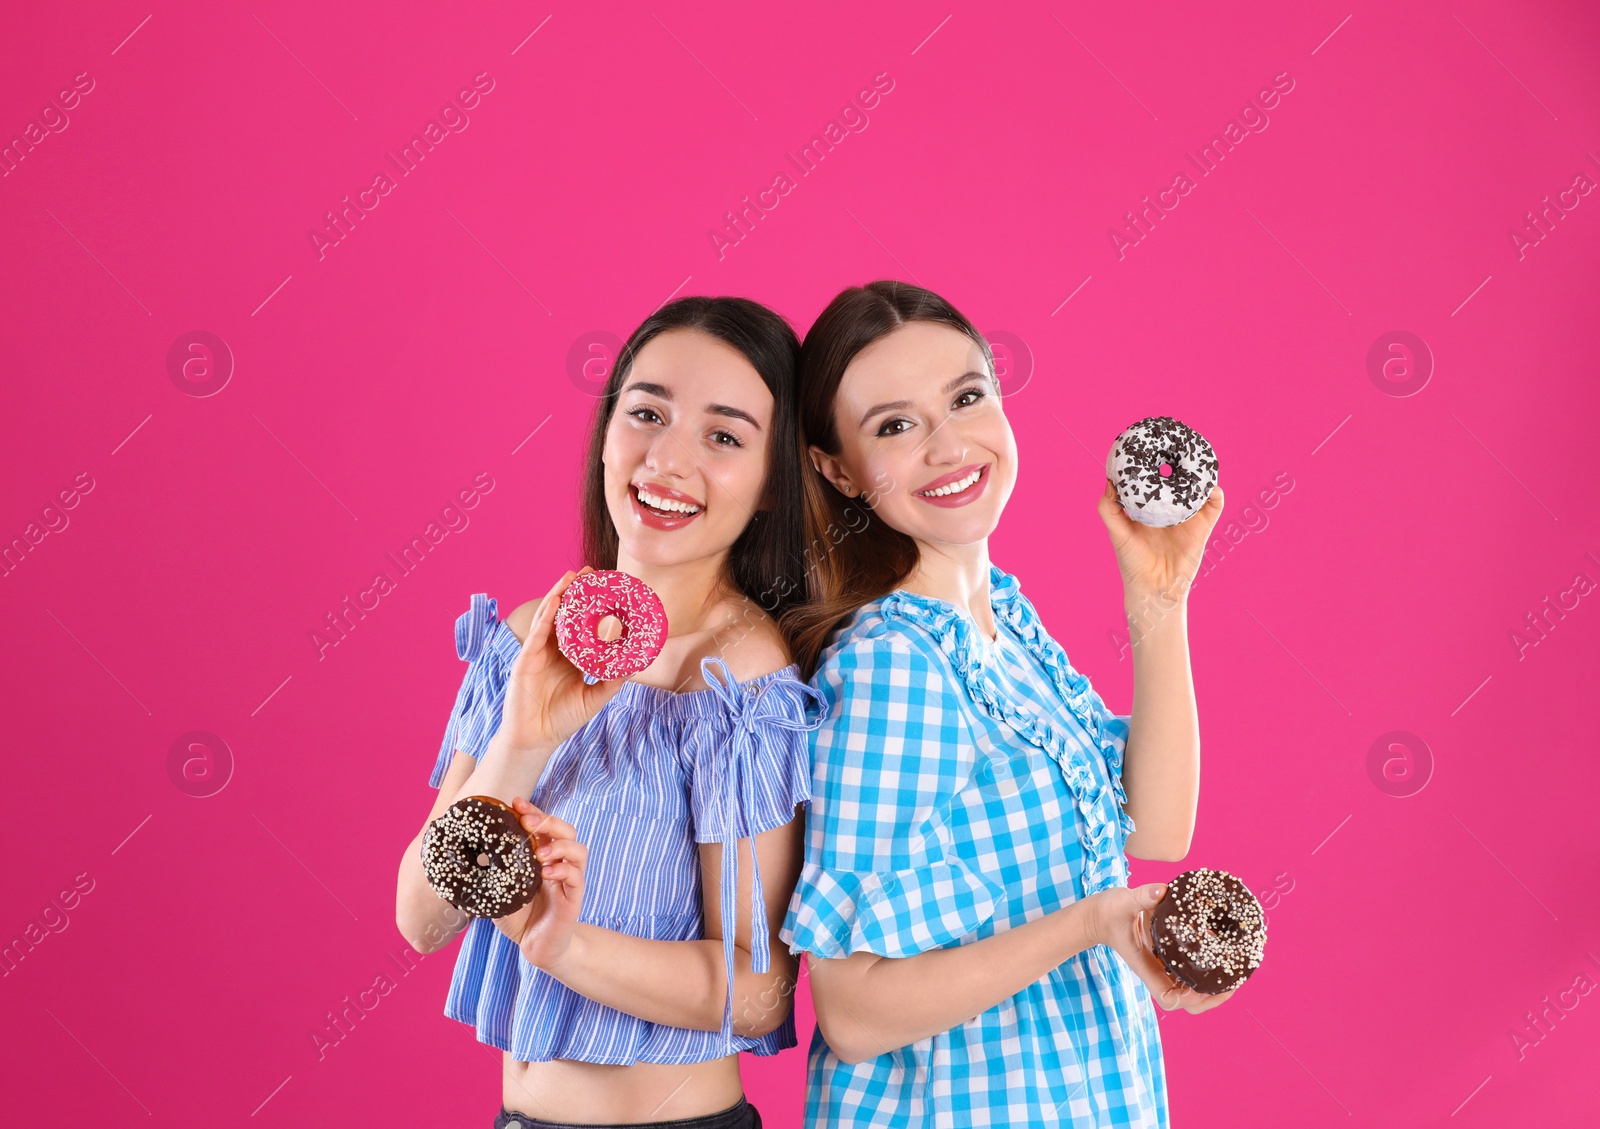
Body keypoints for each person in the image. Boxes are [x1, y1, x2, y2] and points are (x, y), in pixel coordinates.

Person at [778, 281, 1234, 1127]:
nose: (950, 446)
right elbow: (854, 1011)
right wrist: (1092, 923)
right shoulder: (891, 666)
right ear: (835, 468)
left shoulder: (1002, 631)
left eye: (966, 397)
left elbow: (1157, 828)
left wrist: (1157, 602)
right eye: (895, 426)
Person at [394, 296, 823, 1129]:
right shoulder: (527, 639)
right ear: (607, 431)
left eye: (724, 435)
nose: (667, 458)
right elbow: (421, 918)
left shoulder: (738, 681)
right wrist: (522, 738)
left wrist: (561, 944)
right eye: (648, 413)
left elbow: (760, 988)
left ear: (771, 481)